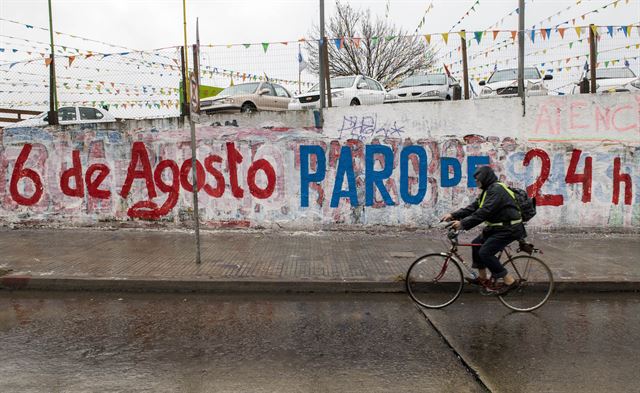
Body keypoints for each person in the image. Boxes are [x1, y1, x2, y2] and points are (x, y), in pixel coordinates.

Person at [440, 165, 525, 295]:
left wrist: (462, 223)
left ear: (485, 178)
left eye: (478, 179)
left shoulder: (496, 190)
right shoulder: (488, 190)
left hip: (509, 228)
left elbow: (484, 212)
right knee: (477, 245)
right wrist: (453, 215)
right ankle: (483, 279)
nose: (476, 182)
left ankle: (510, 281)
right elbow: (474, 207)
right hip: (497, 227)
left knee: (485, 252)